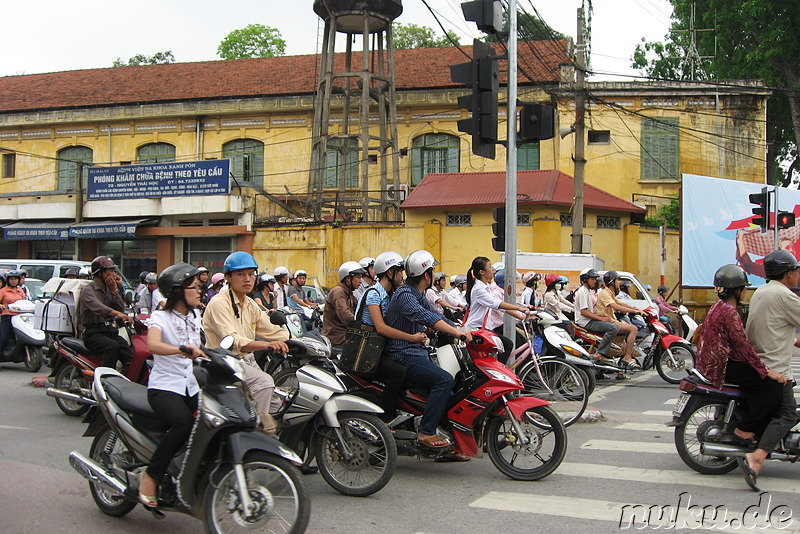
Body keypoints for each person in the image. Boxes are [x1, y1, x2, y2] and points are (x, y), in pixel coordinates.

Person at [384, 250, 472, 449]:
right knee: (444, 380)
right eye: (433, 271)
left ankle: (451, 441)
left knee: (455, 387)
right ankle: (426, 431)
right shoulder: (405, 295)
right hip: (403, 354)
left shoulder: (417, 293)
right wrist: (457, 333)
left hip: (416, 351)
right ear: (426, 275)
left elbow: (436, 314)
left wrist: (461, 328)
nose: (435, 276)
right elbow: (427, 317)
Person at [695, 265, 785, 453]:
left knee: (756, 382)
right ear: (737, 291)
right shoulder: (730, 312)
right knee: (773, 387)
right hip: (723, 367)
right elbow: (742, 346)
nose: (745, 291)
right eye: (743, 288)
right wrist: (767, 371)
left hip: (710, 364)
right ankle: (744, 429)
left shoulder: (717, 307)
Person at [136, 263, 205, 510]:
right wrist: (180, 349)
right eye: (194, 287)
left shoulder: (195, 316)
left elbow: (202, 349)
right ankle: (151, 477)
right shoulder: (160, 317)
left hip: (191, 386)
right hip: (164, 387)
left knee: (212, 421)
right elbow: (153, 345)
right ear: (177, 291)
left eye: (200, 286)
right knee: (183, 423)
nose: (200, 291)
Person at [202, 252, 289, 434]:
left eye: (251, 274)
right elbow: (234, 341)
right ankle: (255, 436)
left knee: (279, 404)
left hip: (246, 362)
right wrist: (267, 345)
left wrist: (298, 341)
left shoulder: (249, 304)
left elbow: (271, 330)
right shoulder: (219, 303)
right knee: (264, 383)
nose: (247, 279)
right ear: (228, 278)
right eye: (240, 274)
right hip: (224, 364)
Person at [740, 250, 799, 490]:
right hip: (774, 367)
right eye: (796, 270)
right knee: (788, 413)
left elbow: (775, 326)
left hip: (761, 360)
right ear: (788, 273)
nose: (797, 275)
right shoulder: (784, 295)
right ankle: (757, 458)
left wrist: (793, 341)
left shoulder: (762, 291)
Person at [358, 251, 425, 422]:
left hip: (380, 347)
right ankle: (385, 417)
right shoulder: (374, 293)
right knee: (398, 371)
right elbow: (381, 327)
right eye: (399, 271)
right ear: (389, 272)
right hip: (366, 350)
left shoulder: (390, 294)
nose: (402, 275)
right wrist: (411, 338)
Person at [463, 257, 531, 363]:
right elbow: (497, 304)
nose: (493, 270)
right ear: (482, 272)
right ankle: (497, 372)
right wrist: (519, 308)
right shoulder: (479, 289)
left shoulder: (486, 287)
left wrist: (519, 315)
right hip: (476, 329)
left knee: (502, 347)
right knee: (507, 344)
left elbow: (501, 307)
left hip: (484, 329)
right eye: (490, 267)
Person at [78, 256, 133, 372]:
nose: (114, 274)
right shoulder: (88, 290)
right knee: (112, 346)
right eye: (110, 271)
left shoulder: (110, 289)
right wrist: (118, 314)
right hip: (93, 333)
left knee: (127, 349)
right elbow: (99, 308)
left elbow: (120, 308)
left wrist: (115, 290)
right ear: (100, 273)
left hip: (109, 331)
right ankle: (105, 379)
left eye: (114, 271)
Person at [596, 270, 642, 372]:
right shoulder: (604, 293)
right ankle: (627, 357)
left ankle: (621, 371)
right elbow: (615, 306)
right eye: (617, 280)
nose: (619, 282)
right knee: (633, 329)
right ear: (612, 282)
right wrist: (634, 311)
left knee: (625, 332)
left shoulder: (610, 293)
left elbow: (621, 303)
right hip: (607, 322)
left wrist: (637, 310)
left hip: (612, 320)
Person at [573, 268, 619, 363]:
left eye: (595, 279)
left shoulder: (588, 291)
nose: (595, 281)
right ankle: (600, 353)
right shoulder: (582, 292)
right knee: (612, 328)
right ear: (585, 279)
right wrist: (601, 319)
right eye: (592, 279)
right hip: (585, 322)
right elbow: (584, 312)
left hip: (589, 320)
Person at [322, 261, 366, 350]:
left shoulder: (349, 294)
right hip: (337, 337)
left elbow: (360, 308)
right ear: (348, 279)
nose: (360, 281)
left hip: (347, 334)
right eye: (358, 277)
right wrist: (361, 324)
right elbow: (345, 315)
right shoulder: (338, 292)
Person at [0, 271, 26, 358]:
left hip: (19, 317)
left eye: (15, 279)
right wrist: (1, 305)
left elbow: (24, 302)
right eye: (11, 279)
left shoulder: (20, 291)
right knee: (3, 337)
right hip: (7, 317)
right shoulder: (3, 291)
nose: (13, 281)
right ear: (8, 280)